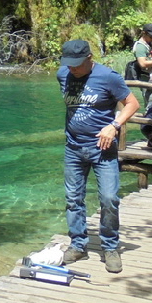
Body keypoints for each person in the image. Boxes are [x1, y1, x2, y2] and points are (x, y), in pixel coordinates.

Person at [57, 39, 140, 274]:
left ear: (89, 58)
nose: (72, 68)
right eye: (68, 63)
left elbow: (132, 104)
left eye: (77, 64)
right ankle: (78, 244)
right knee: (73, 198)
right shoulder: (62, 75)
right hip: (73, 148)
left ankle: (110, 246)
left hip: (102, 149)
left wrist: (114, 125)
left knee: (109, 198)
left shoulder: (108, 77)